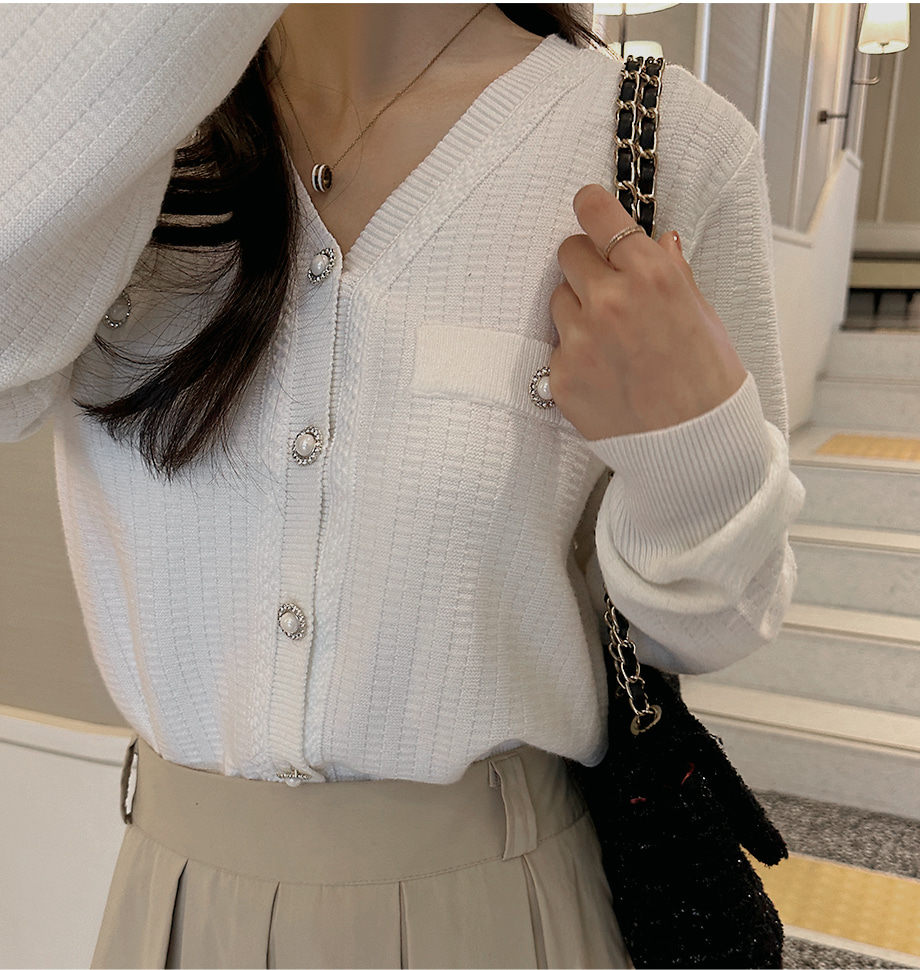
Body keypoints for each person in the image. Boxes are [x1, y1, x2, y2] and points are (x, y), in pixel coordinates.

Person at [0, 4, 804, 967]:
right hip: (169, 913)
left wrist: (691, 445)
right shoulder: (122, 115)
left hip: (500, 917)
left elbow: (719, 622)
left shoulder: (665, 144)